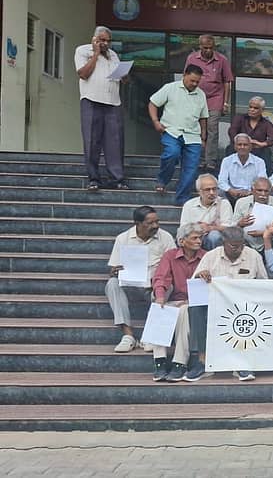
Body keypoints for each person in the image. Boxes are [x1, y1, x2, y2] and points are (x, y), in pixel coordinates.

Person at [192, 226, 268, 381]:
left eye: (241, 245)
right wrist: (201, 275)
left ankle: (242, 363)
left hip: (244, 306)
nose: (238, 249)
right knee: (195, 309)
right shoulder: (211, 256)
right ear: (223, 243)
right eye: (233, 246)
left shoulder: (253, 256)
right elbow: (195, 284)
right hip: (215, 305)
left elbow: (264, 284)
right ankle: (202, 360)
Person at [106, 206, 176, 353]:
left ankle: (150, 336)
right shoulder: (123, 238)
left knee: (168, 285)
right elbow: (113, 269)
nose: (155, 226)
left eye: (157, 222)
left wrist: (159, 281)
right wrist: (115, 271)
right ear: (137, 223)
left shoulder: (166, 237)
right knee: (112, 284)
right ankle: (128, 335)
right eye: (150, 223)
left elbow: (173, 266)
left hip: (155, 287)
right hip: (131, 286)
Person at [150, 223, 206, 381]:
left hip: (197, 304)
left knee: (184, 310)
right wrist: (160, 297)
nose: (199, 241)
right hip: (175, 299)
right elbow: (161, 277)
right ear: (182, 241)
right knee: (159, 308)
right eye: (194, 238)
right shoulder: (170, 255)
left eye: (200, 238)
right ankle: (159, 361)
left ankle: (179, 362)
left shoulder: (206, 256)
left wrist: (189, 300)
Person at [75, 26, 127, 191]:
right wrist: (96, 54)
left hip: (113, 102)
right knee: (92, 141)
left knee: (115, 142)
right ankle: (94, 179)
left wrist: (125, 75)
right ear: (94, 39)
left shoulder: (114, 55)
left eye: (108, 41)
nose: (105, 44)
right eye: (102, 40)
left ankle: (117, 179)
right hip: (91, 100)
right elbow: (83, 74)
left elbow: (123, 79)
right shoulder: (83, 51)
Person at [148, 65, 209, 205]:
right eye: (192, 80)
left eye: (197, 81)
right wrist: (156, 121)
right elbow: (153, 103)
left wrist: (203, 137)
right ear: (184, 75)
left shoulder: (201, 94)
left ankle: (181, 200)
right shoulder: (170, 88)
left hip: (193, 136)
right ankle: (162, 180)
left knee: (191, 169)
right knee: (172, 154)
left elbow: (203, 118)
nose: (194, 84)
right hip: (171, 131)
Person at [185, 34, 234, 172]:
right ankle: (198, 158)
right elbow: (186, 78)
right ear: (200, 46)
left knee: (212, 128)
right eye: (205, 48)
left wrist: (226, 102)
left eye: (211, 48)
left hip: (215, 98)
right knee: (197, 128)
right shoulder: (192, 58)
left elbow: (227, 81)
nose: (208, 50)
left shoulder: (222, 60)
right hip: (195, 98)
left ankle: (210, 160)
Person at [232, 177, 273, 258]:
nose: (263, 194)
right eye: (259, 190)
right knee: (233, 235)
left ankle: (272, 263)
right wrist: (239, 224)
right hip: (247, 243)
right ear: (252, 190)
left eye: (266, 191)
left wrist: (266, 232)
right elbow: (231, 227)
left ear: (270, 192)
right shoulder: (241, 202)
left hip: (269, 243)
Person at [180, 174, 233, 250]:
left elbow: (229, 227)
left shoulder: (224, 203)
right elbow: (183, 228)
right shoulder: (189, 205)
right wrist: (198, 228)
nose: (212, 192)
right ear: (199, 191)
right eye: (207, 190)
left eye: (214, 189)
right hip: (194, 236)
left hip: (215, 240)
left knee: (214, 236)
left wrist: (210, 228)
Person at [226, 96, 273, 173]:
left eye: (255, 108)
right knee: (230, 148)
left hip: (257, 150)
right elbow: (232, 131)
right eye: (250, 107)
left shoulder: (266, 123)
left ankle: (264, 177)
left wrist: (261, 144)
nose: (252, 109)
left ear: (262, 110)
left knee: (266, 151)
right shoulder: (240, 118)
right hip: (240, 148)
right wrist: (244, 142)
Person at [217, 133, 267, 205]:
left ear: (250, 147)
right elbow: (221, 181)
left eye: (245, 145)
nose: (242, 147)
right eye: (239, 144)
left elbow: (263, 181)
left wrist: (250, 192)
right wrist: (231, 190)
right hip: (231, 194)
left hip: (252, 194)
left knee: (265, 194)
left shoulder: (259, 162)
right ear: (235, 147)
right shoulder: (227, 161)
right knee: (219, 193)